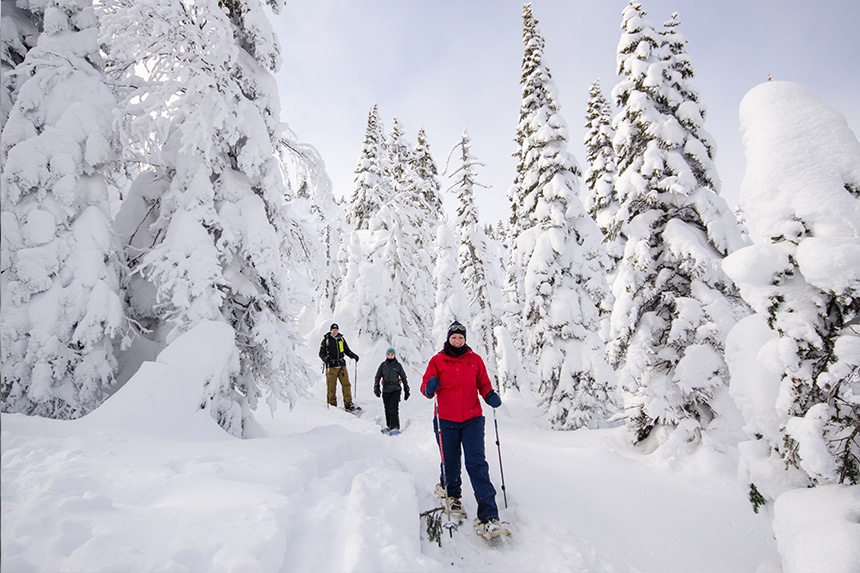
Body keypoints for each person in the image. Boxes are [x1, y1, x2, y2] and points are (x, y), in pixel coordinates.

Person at [421, 320, 508, 539]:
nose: (458, 341)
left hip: (472, 419)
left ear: (465, 339)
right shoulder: (437, 361)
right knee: (450, 461)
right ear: (448, 339)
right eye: (454, 337)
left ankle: (488, 516)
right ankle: (452, 494)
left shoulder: (475, 360)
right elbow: (425, 387)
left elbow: (484, 384)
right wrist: (430, 386)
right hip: (445, 420)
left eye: (461, 337)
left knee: (476, 464)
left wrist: (490, 396)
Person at [318, 323, 360, 411]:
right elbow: (321, 353)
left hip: (341, 366)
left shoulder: (341, 339)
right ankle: (332, 405)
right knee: (331, 387)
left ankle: (348, 403)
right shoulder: (326, 340)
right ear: (330, 331)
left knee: (346, 384)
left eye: (336, 330)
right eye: (333, 330)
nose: (335, 332)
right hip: (331, 367)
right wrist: (326, 359)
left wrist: (353, 356)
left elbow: (346, 351)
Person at [373, 348, 410, 435]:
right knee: (387, 408)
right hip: (386, 389)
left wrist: (406, 389)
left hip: (395, 389)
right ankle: (389, 426)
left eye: (392, 354)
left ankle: (395, 426)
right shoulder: (383, 365)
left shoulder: (398, 366)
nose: (390, 356)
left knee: (393, 407)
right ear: (386, 355)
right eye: (388, 354)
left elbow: (404, 377)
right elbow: (377, 376)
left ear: (394, 355)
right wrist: (376, 387)